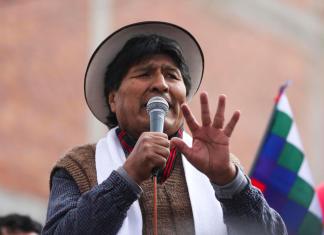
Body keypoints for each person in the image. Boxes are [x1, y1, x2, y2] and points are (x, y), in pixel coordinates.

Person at [43, 21, 287, 234]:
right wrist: (127, 178)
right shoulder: (78, 165)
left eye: (172, 76)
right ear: (113, 99)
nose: (160, 84)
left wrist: (230, 182)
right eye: (144, 74)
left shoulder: (222, 168)